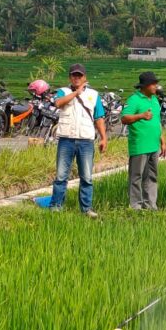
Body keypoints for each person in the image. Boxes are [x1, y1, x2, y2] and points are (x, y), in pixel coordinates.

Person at [49, 63, 108, 217]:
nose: (76, 78)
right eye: (74, 75)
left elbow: (99, 117)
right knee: (61, 175)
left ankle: (86, 209)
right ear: (70, 77)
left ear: (84, 77)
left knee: (87, 177)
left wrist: (103, 138)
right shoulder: (63, 91)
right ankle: (56, 205)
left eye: (79, 75)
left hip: (86, 141)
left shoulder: (94, 95)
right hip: (66, 140)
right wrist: (76, 93)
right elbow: (58, 103)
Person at [121, 71, 166, 210]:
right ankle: (136, 205)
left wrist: (163, 140)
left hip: (154, 144)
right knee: (137, 176)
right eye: (153, 84)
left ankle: (151, 205)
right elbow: (124, 118)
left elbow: (157, 121)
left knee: (152, 176)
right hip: (140, 145)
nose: (156, 87)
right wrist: (140, 115)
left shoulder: (154, 99)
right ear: (145, 86)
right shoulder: (134, 99)